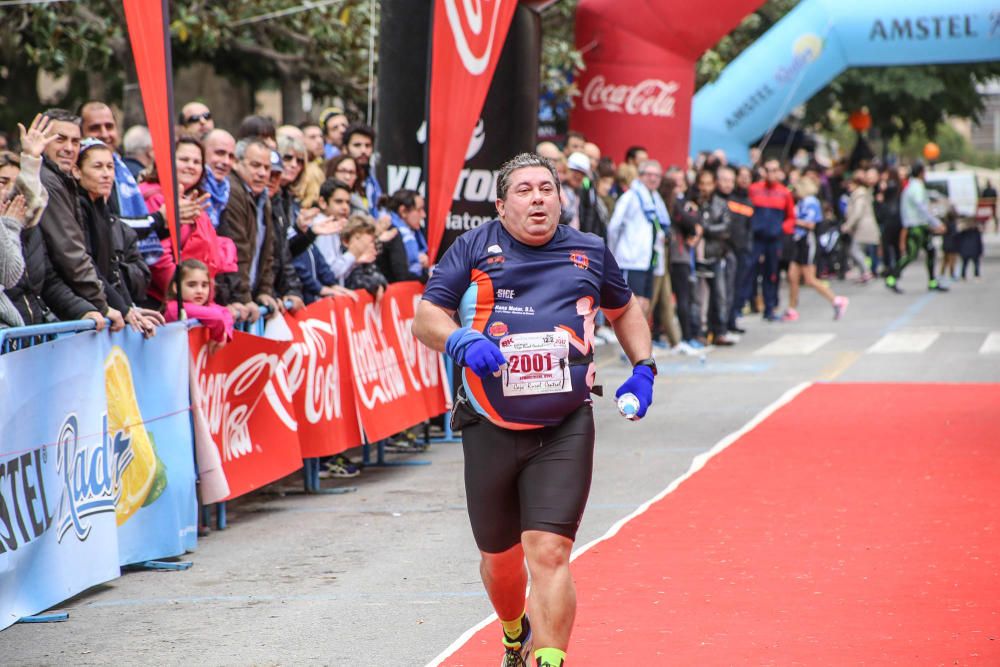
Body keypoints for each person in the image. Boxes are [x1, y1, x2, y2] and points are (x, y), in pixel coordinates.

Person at [413, 152, 656, 667]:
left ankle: (548, 660)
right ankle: (512, 631)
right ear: (502, 206)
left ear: (561, 198)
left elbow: (624, 308)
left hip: (564, 425)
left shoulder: (589, 251)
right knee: (501, 566)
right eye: (523, 190)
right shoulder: (474, 247)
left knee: (548, 552)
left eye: (546, 188)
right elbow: (425, 316)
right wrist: (459, 340)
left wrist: (644, 367)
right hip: (489, 424)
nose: (538, 198)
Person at [37, 108, 125, 331]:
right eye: (60, 139)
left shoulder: (63, 181)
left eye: (75, 141)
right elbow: (70, 253)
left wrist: (123, 306)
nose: (69, 148)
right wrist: (103, 306)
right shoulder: (47, 181)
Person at [75, 138, 161, 336]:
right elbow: (87, 265)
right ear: (77, 171)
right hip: (86, 312)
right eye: (98, 167)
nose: (106, 174)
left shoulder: (100, 208)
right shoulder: (78, 207)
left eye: (110, 167)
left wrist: (129, 307)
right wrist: (122, 309)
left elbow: (111, 269)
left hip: (105, 304)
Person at [139, 136, 238, 307]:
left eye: (196, 162)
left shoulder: (194, 201)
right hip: (163, 304)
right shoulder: (152, 198)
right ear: (167, 162)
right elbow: (157, 257)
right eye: (184, 160)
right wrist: (184, 296)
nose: (191, 166)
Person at [216, 137, 281, 322]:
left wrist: (265, 291)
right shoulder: (233, 192)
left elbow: (268, 251)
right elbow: (238, 250)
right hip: (232, 300)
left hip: (248, 296)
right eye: (255, 165)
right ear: (237, 163)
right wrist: (243, 298)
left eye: (267, 168)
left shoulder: (263, 197)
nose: (262, 173)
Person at [606, 159, 668, 318]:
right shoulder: (630, 197)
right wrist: (614, 253)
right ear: (640, 176)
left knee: (646, 302)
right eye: (649, 175)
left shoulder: (656, 200)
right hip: (631, 259)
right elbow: (614, 226)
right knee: (632, 304)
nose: (653, 179)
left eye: (657, 176)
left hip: (649, 260)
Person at [785, 175, 848, 321]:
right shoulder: (801, 202)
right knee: (792, 275)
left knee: (809, 279)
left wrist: (793, 221)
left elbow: (810, 224)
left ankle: (836, 300)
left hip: (807, 241)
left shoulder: (810, 201)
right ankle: (791, 308)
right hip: (798, 240)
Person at [886, 163, 947, 294]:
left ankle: (932, 281)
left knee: (930, 251)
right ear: (921, 173)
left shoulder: (911, 187)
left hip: (918, 225)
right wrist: (936, 223)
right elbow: (922, 208)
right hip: (916, 227)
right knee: (911, 254)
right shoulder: (916, 187)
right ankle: (892, 277)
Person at [748, 159, 796, 321]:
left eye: (774, 170)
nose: (771, 174)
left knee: (772, 274)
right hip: (756, 238)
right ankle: (745, 304)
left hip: (774, 240)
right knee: (749, 270)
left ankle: (770, 308)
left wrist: (780, 230)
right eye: (768, 170)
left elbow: (791, 218)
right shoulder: (754, 189)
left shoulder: (784, 193)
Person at [163, 258, 234, 344]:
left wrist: (225, 332)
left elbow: (225, 312)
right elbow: (217, 317)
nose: (199, 291)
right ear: (176, 287)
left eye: (204, 285)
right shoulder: (174, 308)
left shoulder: (207, 306)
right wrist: (218, 338)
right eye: (192, 285)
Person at [379, 189, 428, 282]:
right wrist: (427, 278)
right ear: (403, 211)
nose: (423, 215)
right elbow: (401, 275)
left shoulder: (415, 233)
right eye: (419, 210)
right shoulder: (391, 233)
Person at [842, 169, 881, 283]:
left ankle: (866, 271)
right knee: (859, 250)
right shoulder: (862, 193)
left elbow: (857, 213)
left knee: (855, 250)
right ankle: (864, 272)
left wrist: (848, 225)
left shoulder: (859, 194)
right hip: (862, 227)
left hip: (863, 227)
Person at [342, 123, 382, 216]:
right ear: (345, 148)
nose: (363, 150)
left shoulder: (372, 180)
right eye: (357, 145)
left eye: (368, 145)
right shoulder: (338, 176)